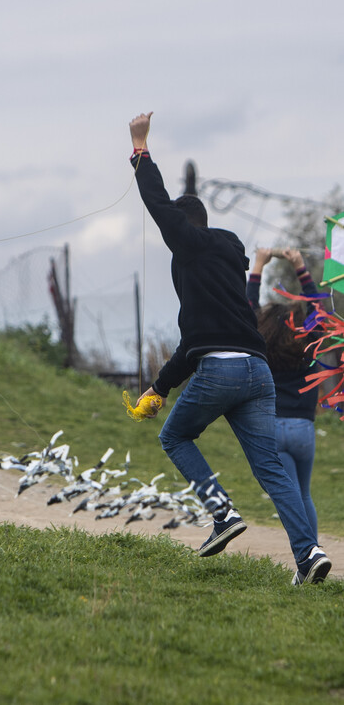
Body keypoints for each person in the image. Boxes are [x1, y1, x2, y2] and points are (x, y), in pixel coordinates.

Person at [129, 111, 330, 585]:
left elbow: (159, 204)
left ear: (183, 227)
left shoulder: (191, 247)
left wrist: (140, 148)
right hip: (257, 375)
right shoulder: (225, 259)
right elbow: (194, 341)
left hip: (221, 372)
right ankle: (309, 555)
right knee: (272, 473)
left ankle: (222, 515)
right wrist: (159, 387)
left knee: (174, 437)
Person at [247, 247, 320, 538]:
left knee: (290, 500)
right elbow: (315, 307)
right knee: (304, 495)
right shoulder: (307, 340)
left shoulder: (259, 341)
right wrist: (300, 265)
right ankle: (314, 554)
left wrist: (258, 266)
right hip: (304, 429)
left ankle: (308, 558)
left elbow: (247, 308)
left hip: (272, 427)